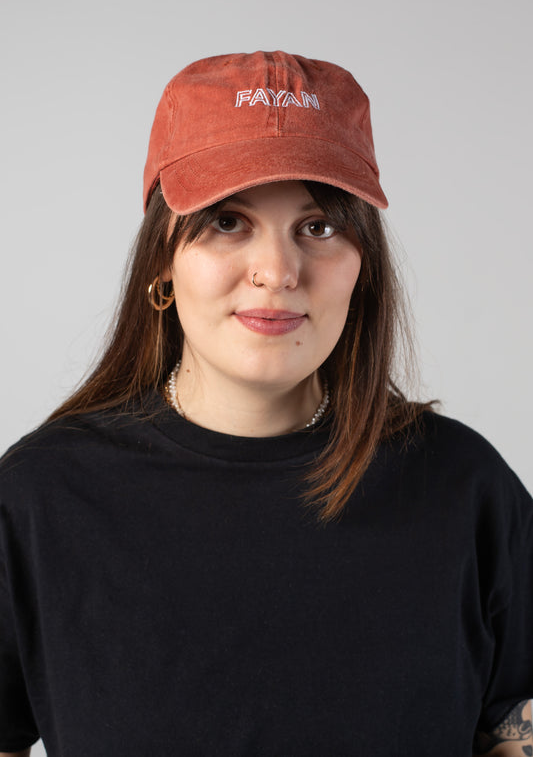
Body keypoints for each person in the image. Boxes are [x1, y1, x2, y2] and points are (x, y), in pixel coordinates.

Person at [0, 51, 531, 757]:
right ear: (163, 257)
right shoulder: (40, 499)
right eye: (228, 221)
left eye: (318, 227)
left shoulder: (465, 488)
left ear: (363, 267)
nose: (277, 272)